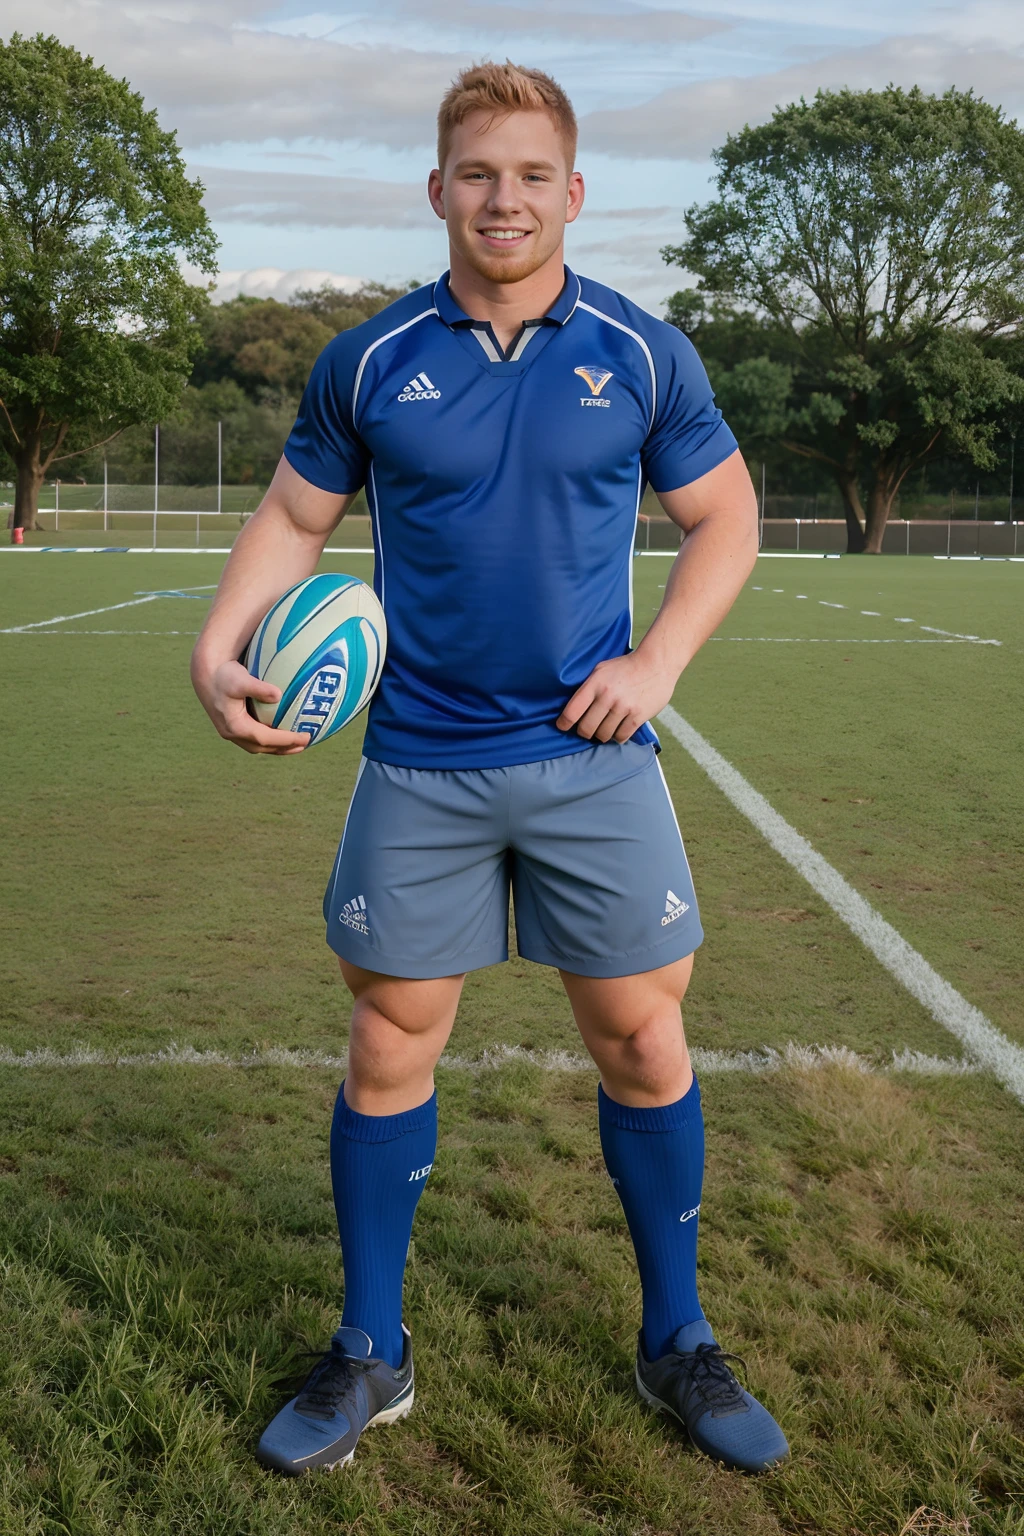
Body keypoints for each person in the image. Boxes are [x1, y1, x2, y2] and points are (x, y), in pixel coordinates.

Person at [191, 61, 788, 1478]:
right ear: (439, 189)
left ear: (574, 193)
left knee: (644, 1038)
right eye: (476, 174)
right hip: (421, 759)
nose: (502, 199)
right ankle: (369, 1353)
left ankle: (678, 1342)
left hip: (593, 759)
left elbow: (727, 519)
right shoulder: (373, 357)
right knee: (391, 1041)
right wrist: (217, 649)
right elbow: (293, 510)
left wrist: (657, 667)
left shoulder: (643, 352)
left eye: (531, 175)